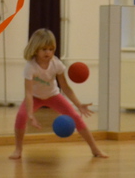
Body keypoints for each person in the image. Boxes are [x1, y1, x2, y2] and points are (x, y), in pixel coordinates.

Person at [9, 28, 107, 160]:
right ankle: (18, 149)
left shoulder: (57, 64)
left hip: (53, 96)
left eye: (51, 49)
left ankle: (95, 149)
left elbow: (65, 87)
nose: (48, 52)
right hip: (35, 97)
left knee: (76, 117)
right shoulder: (30, 67)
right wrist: (30, 114)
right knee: (21, 116)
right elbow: (28, 92)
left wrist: (78, 104)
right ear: (36, 49)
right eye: (44, 49)